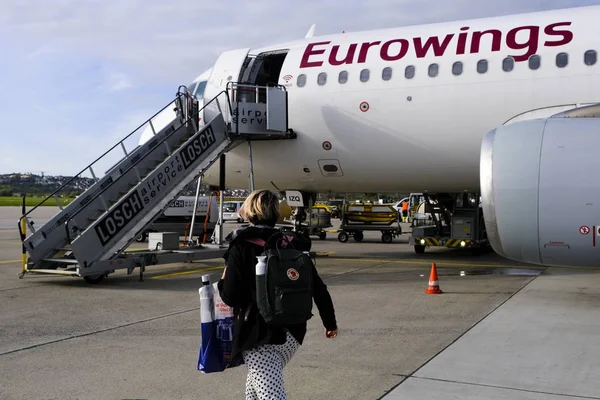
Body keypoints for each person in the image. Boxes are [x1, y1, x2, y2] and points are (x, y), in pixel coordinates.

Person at [218, 189, 338, 400]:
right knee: (254, 390)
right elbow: (319, 289)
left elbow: (231, 296)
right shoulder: (291, 244)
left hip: (261, 336)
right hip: (293, 332)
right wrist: (330, 324)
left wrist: (220, 283)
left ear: (248, 210)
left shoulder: (242, 246)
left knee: (271, 395)